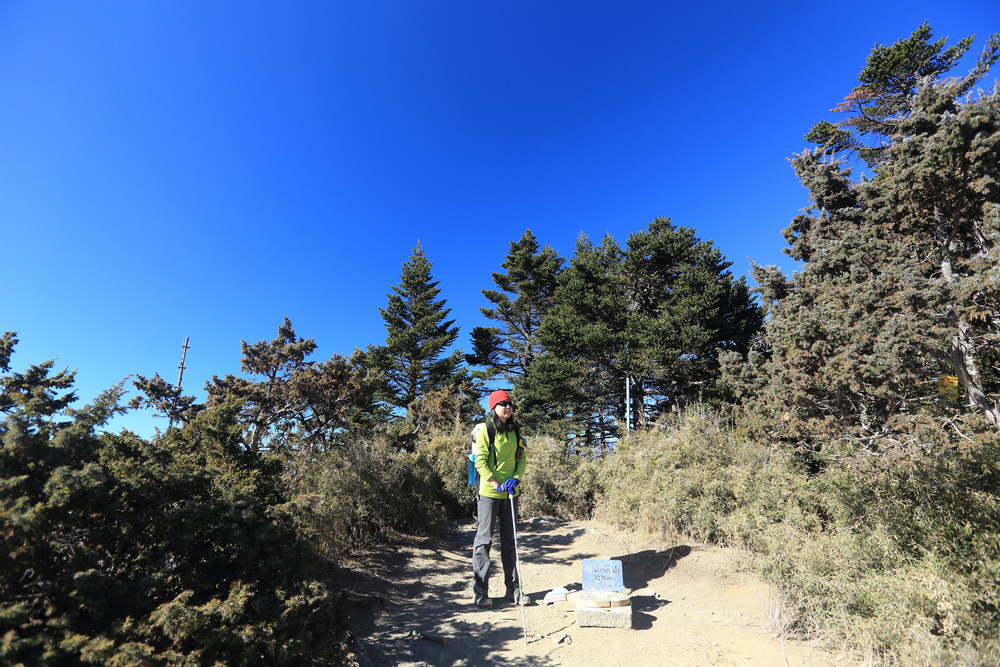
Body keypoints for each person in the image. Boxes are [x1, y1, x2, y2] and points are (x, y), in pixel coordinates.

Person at [471, 389, 528, 609]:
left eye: (510, 403)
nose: (507, 406)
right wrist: (497, 484)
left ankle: (513, 589)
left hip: (511, 493)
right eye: (502, 403)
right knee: (484, 540)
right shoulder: (486, 430)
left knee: (510, 541)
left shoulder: (516, 431)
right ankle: (480, 592)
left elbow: (521, 460)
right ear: (493, 407)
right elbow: (481, 462)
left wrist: (515, 479)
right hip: (489, 493)